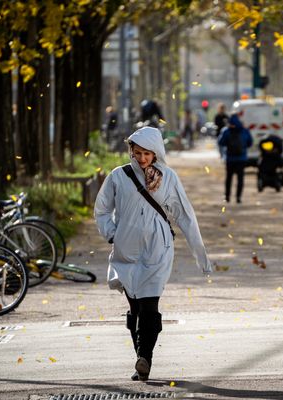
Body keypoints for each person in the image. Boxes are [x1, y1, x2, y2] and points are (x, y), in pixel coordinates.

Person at [94, 126, 212, 381]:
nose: (142, 158)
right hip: (126, 249)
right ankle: (141, 356)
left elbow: (184, 215)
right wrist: (112, 233)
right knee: (135, 306)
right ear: (131, 152)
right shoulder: (119, 176)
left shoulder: (167, 177)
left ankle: (145, 356)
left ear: (156, 153)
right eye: (138, 152)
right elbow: (102, 209)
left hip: (157, 247)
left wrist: (200, 255)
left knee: (149, 304)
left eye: (147, 153)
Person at [217, 113, 253, 203]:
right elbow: (250, 142)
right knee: (240, 179)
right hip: (242, 159)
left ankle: (227, 197)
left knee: (229, 178)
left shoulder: (226, 131)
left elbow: (221, 142)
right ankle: (238, 197)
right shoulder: (244, 130)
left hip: (230, 159)